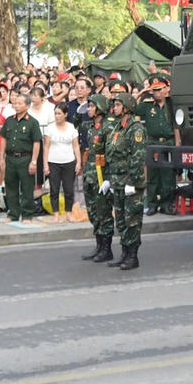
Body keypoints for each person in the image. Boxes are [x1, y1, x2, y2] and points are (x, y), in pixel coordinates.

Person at [101, 93, 146, 271]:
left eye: (118, 105)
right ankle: (124, 253)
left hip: (130, 182)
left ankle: (133, 256)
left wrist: (133, 181)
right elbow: (111, 154)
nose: (115, 108)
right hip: (118, 181)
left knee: (132, 219)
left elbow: (138, 156)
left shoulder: (136, 129)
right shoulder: (118, 128)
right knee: (120, 219)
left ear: (127, 107)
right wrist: (109, 179)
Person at [138, 71, 178, 215]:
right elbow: (131, 107)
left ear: (165, 89)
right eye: (154, 90)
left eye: (159, 89)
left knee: (167, 175)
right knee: (153, 176)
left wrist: (177, 143)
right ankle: (153, 204)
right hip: (152, 143)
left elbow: (176, 125)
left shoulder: (171, 104)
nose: (156, 93)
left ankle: (167, 204)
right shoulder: (148, 105)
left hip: (168, 142)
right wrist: (142, 92)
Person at [81, 94, 115, 262]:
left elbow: (109, 154)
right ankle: (99, 245)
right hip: (90, 174)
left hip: (101, 176)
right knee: (93, 212)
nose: (89, 109)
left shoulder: (108, 127)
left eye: (92, 106)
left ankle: (106, 248)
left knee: (104, 213)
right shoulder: (91, 127)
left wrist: (108, 178)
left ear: (100, 108)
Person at [0, 92, 42, 222]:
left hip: (25, 158)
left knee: (27, 188)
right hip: (10, 158)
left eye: (19, 103)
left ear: (27, 106)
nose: (16, 106)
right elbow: (3, 140)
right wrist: (1, 159)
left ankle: (27, 214)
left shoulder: (32, 122)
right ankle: (13, 213)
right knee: (10, 187)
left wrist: (33, 161)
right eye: (15, 103)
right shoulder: (9, 120)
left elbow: (36, 142)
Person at [43, 103, 80, 223]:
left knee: (69, 189)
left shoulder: (71, 127)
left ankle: (69, 214)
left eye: (59, 113)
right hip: (53, 162)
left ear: (65, 114)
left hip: (69, 162)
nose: (57, 116)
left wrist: (78, 162)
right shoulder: (50, 128)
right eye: (55, 113)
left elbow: (75, 147)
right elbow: (46, 147)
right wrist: (45, 164)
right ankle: (56, 215)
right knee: (54, 189)